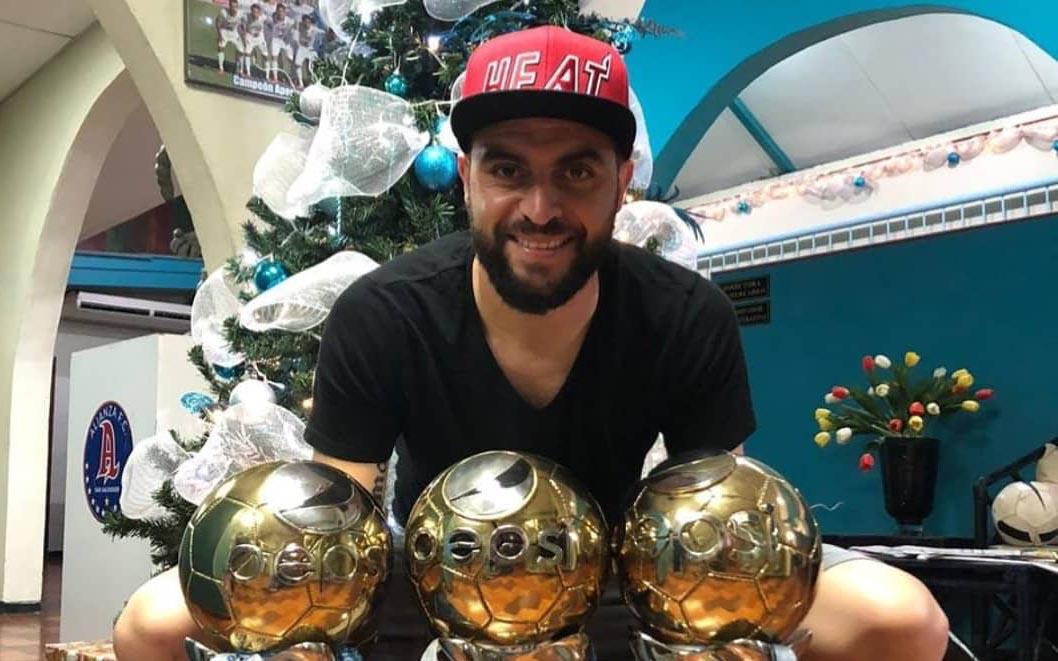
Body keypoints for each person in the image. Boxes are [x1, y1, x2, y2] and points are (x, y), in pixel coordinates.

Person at [112, 26, 949, 661]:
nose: (540, 208)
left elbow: (722, 534)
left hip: (622, 569)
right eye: (508, 169)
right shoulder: (384, 313)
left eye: (577, 171)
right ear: (467, 179)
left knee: (901, 619)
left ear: (622, 182)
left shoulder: (685, 315)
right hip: (426, 578)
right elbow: (329, 536)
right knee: (149, 624)